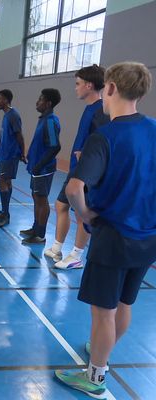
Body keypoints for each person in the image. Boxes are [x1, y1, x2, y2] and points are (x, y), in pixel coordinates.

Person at [55, 62, 156, 399]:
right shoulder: (154, 130)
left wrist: (87, 215)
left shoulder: (106, 136)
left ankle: (95, 377)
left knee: (103, 313)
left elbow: (74, 188)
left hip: (113, 236)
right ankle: (102, 350)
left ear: (110, 88)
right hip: (147, 236)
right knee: (124, 303)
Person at [44, 65, 109, 269]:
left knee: (82, 213)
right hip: (75, 169)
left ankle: (77, 255)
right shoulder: (89, 108)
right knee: (61, 205)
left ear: (89, 85)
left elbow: (103, 142)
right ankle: (57, 247)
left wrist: (87, 157)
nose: (76, 88)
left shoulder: (100, 110)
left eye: (78, 84)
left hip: (86, 173)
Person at [19, 88, 61, 244]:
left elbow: (55, 147)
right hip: (36, 167)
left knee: (42, 200)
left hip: (43, 170)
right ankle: (35, 228)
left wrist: (40, 165)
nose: (38, 102)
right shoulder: (43, 118)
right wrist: (30, 156)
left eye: (41, 99)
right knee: (36, 197)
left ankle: (40, 235)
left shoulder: (50, 121)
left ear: (48, 103)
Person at [0, 89, 24, 227]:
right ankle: (4, 211)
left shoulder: (13, 115)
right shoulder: (6, 115)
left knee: (1, 182)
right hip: (4, 154)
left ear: (6, 100)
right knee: (7, 182)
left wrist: (22, 153)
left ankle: (6, 214)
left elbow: (19, 135)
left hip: (10, 155)